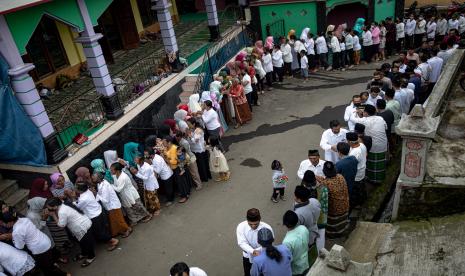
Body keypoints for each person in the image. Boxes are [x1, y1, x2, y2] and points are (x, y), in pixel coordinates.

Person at [6, 210, 69, 276]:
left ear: (9, 222)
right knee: (48, 265)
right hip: (45, 241)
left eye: (3, 223)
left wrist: (13, 238)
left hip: (39, 249)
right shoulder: (24, 219)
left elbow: (20, 246)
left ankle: (65, 274)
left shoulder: (16, 231)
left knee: (48, 267)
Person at [45, 197, 95, 267]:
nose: (49, 210)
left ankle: (91, 257)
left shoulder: (62, 212)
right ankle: (84, 253)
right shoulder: (63, 203)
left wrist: (53, 215)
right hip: (84, 223)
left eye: (50, 208)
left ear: (55, 206)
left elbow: (61, 225)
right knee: (81, 242)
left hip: (82, 227)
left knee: (86, 243)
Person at [73, 182, 120, 251]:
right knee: (102, 229)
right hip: (98, 211)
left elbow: (78, 208)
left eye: (75, 187)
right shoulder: (88, 191)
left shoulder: (83, 199)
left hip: (94, 216)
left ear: (79, 190)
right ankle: (108, 239)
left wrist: (73, 198)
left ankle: (113, 240)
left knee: (99, 232)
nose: (74, 189)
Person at [350, 104, 388, 184]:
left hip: (373, 145)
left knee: (372, 163)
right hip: (383, 144)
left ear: (366, 113)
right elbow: (386, 127)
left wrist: (356, 112)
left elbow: (352, 119)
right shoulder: (380, 118)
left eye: (364, 112)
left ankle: (373, 180)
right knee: (380, 163)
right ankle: (380, 179)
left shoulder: (364, 120)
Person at [92, 172, 131, 238]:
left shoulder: (105, 186)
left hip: (113, 206)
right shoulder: (99, 184)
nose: (92, 178)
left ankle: (128, 229)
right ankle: (120, 231)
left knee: (119, 220)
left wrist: (96, 194)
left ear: (98, 178)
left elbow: (106, 200)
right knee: (114, 220)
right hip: (110, 206)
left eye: (94, 177)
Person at [237, 208, 273, 276]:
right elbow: (241, 243)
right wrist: (252, 251)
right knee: (248, 273)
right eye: (250, 224)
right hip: (247, 256)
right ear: (247, 220)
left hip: (263, 256)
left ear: (260, 220)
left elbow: (270, 242)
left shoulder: (267, 228)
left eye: (256, 224)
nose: (253, 226)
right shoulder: (241, 227)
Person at [318, 161, 349, 239]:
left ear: (324, 171)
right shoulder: (340, 176)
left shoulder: (325, 184)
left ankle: (333, 236)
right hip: (345, 206)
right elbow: (328, 181)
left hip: (335, 211)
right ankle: (342, 231)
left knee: (333, 225)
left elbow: (323, 197)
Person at [293, 186, 320, 266]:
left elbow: (296, 229)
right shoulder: (314, 201)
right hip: (314, 230)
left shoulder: (298, 214)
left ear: (298, 198)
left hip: (306, 238)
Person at [162, 136, 191, 203]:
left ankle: (184, 196)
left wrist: (166, 159)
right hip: (174, 168)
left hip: (178, 167)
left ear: (169, 142)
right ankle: (186, 193)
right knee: (180, 181)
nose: (163, 144)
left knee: (181, 182)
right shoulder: (168, 148)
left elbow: (174, 162)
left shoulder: (174, 148)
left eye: (164, 143)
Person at [282, 210, 309, 276]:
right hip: (305, 262)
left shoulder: (287, 242)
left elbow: (287, 259)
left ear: (285, 223)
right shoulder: (303, 228)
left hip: (295, 269)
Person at [347, 132, 367, 208]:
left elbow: (351, 166)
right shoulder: (362, 145)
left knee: (356, 190)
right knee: (362, 187)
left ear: (349, 141)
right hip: (362, 170)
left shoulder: (354, 153)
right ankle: (363, 200)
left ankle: (357, 204)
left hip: (357, 174)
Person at [335, 142, 358, 210]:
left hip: (344, 186)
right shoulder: (353, 158)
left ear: (339, 152)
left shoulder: (339, 164)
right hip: (352, 181)